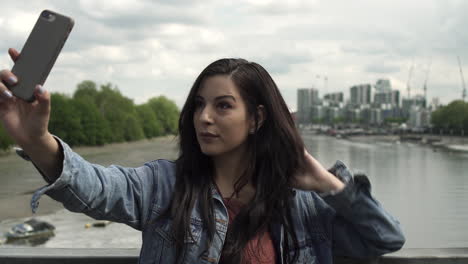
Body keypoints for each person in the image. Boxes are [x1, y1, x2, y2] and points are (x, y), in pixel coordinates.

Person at [0, 48, 405, 264]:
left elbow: (385, 238)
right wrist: (37, 140)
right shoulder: (164, 186)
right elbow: (96, 189)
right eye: (197, 104)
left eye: (223, 106)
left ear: (257, 117)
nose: (204, 117)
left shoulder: (302, 205)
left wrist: (328, 184)